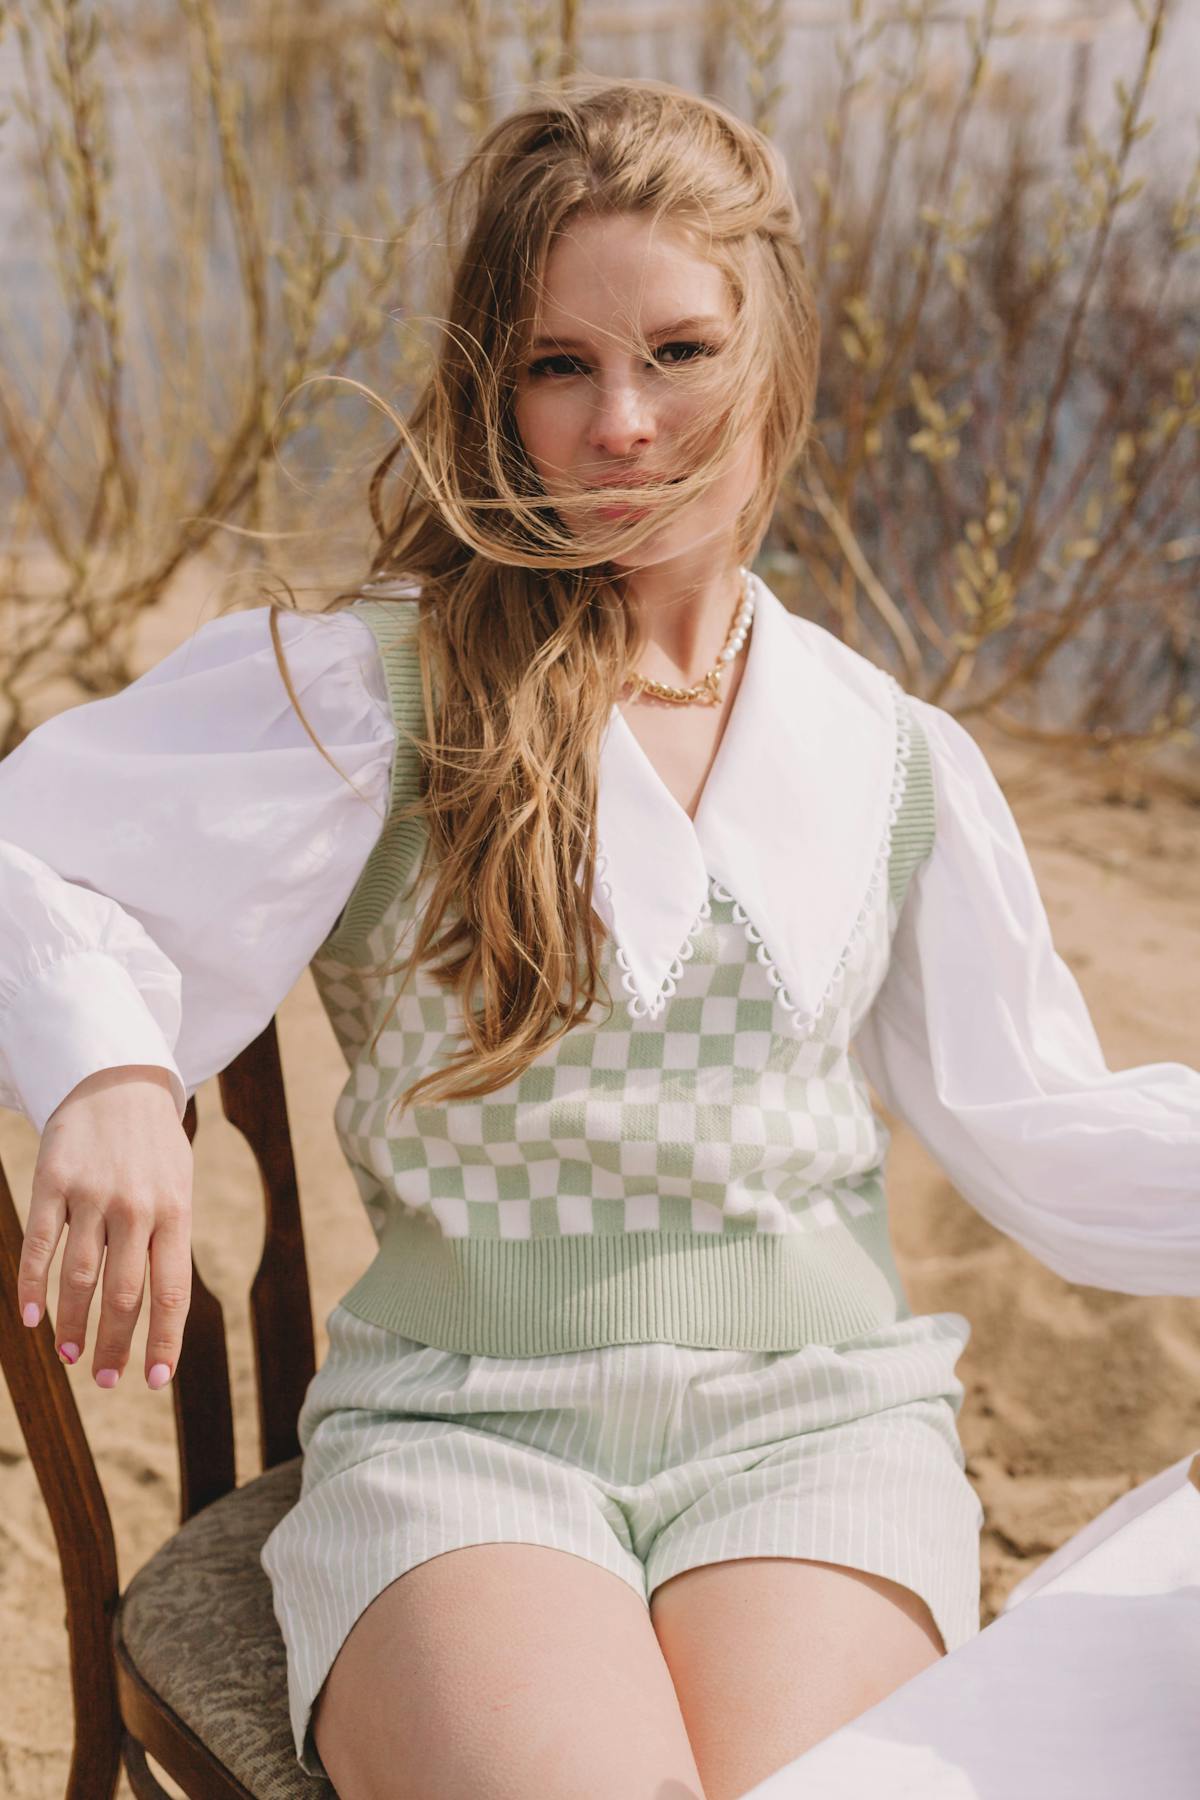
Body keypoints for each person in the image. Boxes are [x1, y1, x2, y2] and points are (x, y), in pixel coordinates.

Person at [1, 74, 1197, 1800]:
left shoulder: (890, 755)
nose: (622, 423)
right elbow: (32, 849)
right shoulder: (373, 696)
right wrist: (107, 1066)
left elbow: (1047, 1128)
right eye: (562, 365)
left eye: (680, 353)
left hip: (819, 1425)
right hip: (466, 1431)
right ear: (500, 394)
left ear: (773, 357)